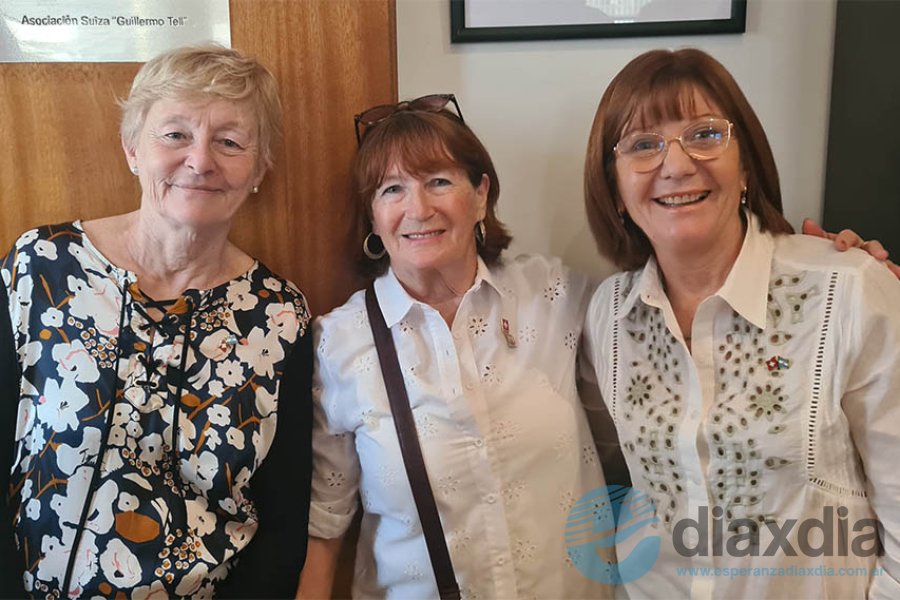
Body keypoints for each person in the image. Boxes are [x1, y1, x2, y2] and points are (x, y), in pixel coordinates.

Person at [582, 48, 900, 598]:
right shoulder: (607, 313)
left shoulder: (847, 291)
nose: (676, 165)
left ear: (746, 164)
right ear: (615, 190)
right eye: (643, 145)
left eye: (705, 135)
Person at [0, 44, 313, 598]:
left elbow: (284, 519)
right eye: (175, 134)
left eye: (230, 142)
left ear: (260, 168)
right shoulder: (40, 267)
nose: (200, 160)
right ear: (132, 150)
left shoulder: (279, 315)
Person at [298, 96, 615, 599]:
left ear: (481, 195)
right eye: (392, 189)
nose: (418, 209)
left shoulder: (554, 295)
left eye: (439, 182)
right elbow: (326, 523)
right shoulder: (340, 343)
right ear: (373, 217)